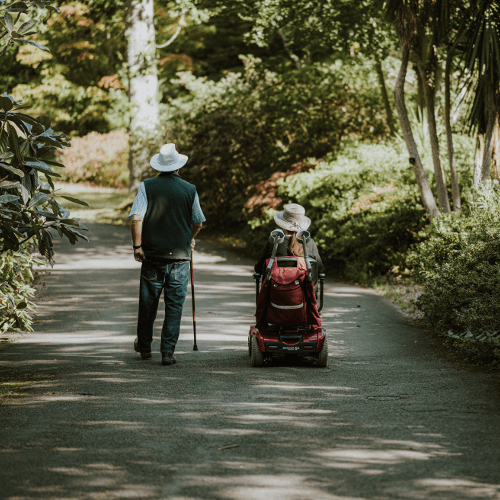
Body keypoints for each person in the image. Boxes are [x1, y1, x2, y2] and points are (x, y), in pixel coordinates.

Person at [129, 143, 205, 366]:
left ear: (159, 167)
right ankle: (167, 352)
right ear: (178, 167)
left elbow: (136, 218)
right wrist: (188, 238)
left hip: (152, 256)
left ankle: (144, 347)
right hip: (180, 258)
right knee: (174, 306)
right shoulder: (190, 189)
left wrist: (137, 247)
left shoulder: (147, 186)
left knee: (148, 304)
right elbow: (198, 222)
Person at [254, 203, 324, 285]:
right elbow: (320, 269)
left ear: (283, 225)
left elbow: (258, 268)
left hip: (275, 293)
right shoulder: (309, 243)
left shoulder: (273, 242)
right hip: (305, 293)